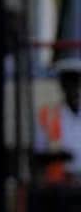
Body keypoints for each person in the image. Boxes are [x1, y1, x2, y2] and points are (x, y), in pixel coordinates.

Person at [34, 57, 81, 185]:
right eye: (69, 83)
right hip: (60, 187)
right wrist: (59, 156)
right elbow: (37, 156)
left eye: (77, 82)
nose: (74, 88)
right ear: (62, 85)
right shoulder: (48, 115)